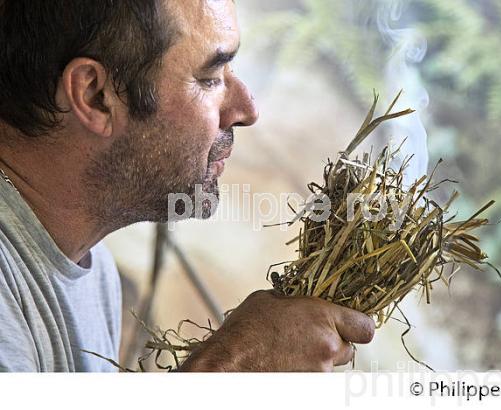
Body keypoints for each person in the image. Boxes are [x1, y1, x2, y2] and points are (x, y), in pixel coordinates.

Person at [0, 0, 375, 372]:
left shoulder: (94, 268)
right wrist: (231, 369)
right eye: (210, 78)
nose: (247, 109)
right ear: (96, 96)